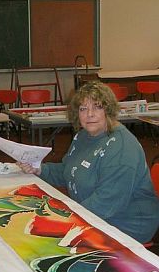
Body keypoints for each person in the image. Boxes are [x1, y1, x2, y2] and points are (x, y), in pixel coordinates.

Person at [19, 81, 159, 243]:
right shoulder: (83, 136)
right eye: (83, 109)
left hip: (126, 225)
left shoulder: (121, 147)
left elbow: (107, 203)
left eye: (97, 107)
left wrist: (64, 216)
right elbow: (69, 171)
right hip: (95, 216)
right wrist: (39, 169)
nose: (89, 114)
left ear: (109, 110)